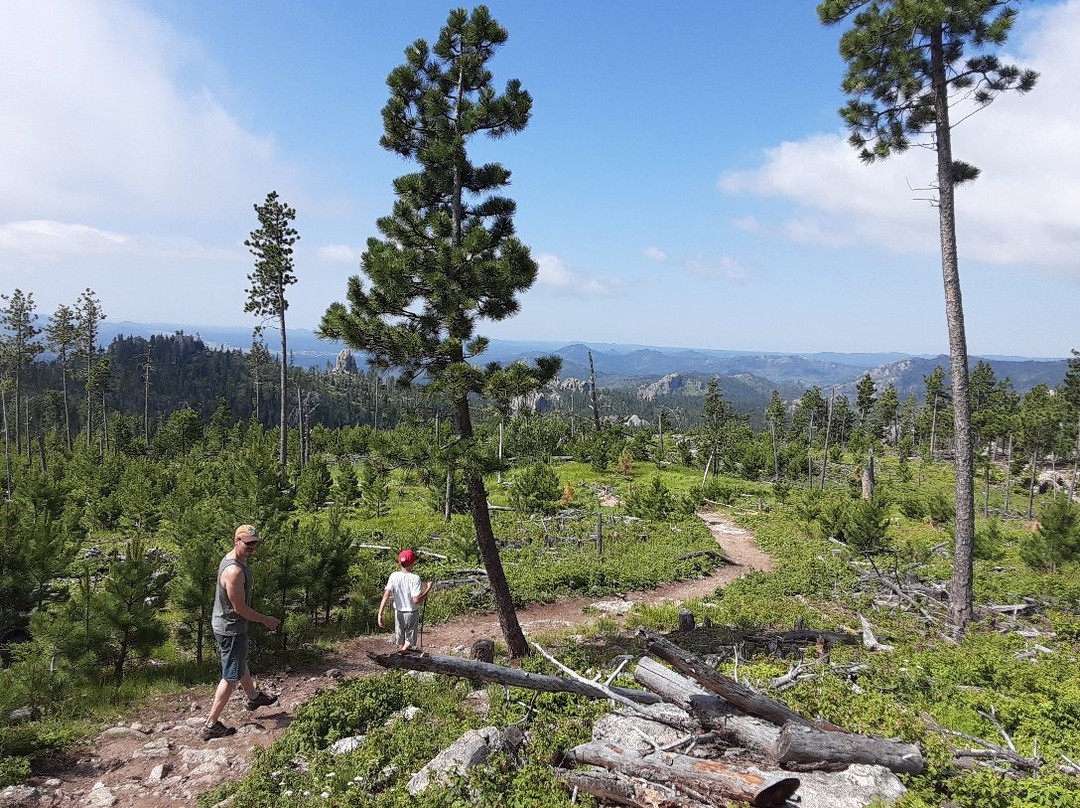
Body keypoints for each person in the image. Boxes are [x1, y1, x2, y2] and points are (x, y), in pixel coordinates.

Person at [201, 524, 282, 741]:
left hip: (228, 625)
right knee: (230, 677)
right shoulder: (234, 571)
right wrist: (266, 620)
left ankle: (254, 697)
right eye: (248, 543)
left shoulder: (235, 560)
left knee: (239, 661)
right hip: (230, 629)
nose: (252, 548)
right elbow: (240, 608)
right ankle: (211, 724)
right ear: (236, 541)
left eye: (255, 543)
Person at [377, 549, 434, 652]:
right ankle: (401, 654)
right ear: (412, 563)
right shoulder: (415, 578)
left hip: (398, 612)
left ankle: (401, 660)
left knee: (400, 640)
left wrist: (380, 614)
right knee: (409, 640)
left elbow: (386, 595)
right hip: (411, 613)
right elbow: (416, 600)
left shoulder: (394, 576)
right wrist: (428, 589)